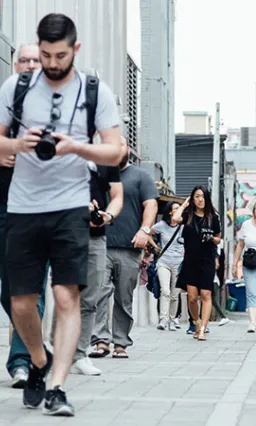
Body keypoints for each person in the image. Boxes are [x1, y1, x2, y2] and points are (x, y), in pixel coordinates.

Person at [0, 14, 123, 416]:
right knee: (21, 302)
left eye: (60, 55)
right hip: (23, 206)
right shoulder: (16, 88)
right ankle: (39, 361)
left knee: (65, 295)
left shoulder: (93, 91)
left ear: (76, 49)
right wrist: (18, 145)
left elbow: (117, 150)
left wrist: (77, 148)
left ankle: (56, 387)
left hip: (71, 206)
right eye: (46, 55)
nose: (52, 64)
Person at [90, 138, 159, 359]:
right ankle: (101, 341)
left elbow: (151, 204)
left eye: (119, 146)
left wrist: (145, 230)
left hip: (129, 247)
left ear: (127, 149)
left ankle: (120, 342)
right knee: (99, 293)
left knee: (123, 297)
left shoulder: (141, 176)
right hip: (100, 244)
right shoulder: (97, 175)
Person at [0, 43, 44, 389]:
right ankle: (34, 343)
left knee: (30, 289)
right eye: (24, 60)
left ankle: (21, 361)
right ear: (16, 65)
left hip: (38, 210)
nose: (30, 65)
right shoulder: (4, 103)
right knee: (9, 291)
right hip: (4, 206)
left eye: (35, 60)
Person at [70, 159, 123, 376]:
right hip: (64, 233)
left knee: (91, 297)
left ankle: (80, 355)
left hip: (96, 237)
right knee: (65, 295)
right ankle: (58, 352)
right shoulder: (61, 151)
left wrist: (107, 215)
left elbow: (117, 196)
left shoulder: (105, 159)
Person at [173, 186, 222, 341]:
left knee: (206, 294)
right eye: (197, 196)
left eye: (203, 196)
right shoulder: (188, 215)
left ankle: (203, 329)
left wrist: (211, 238)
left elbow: (218, 238)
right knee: (192, 298)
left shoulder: (213, 217)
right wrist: (184, 204)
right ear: (193, 199)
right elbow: (175, 219)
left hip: (207, 259)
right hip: (190, 260)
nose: (200, 199)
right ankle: (196, 321)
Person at [232, 200, 256, 332]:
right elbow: (240, 244)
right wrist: (235, 264)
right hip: (250, 263)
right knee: (252, 292)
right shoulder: (246, 225)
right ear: (253, 211)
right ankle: (252, 322)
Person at [151, 201, 184, 331]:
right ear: (170, 212)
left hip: (179, 263)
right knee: (165, 291)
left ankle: (171, 319)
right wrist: (154, 246)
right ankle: (163, 319)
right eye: (176, 208)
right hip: (163, 261)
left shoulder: (183, 227)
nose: (178, 210)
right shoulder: (161, 225)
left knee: (175, 294)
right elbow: (148, 232)